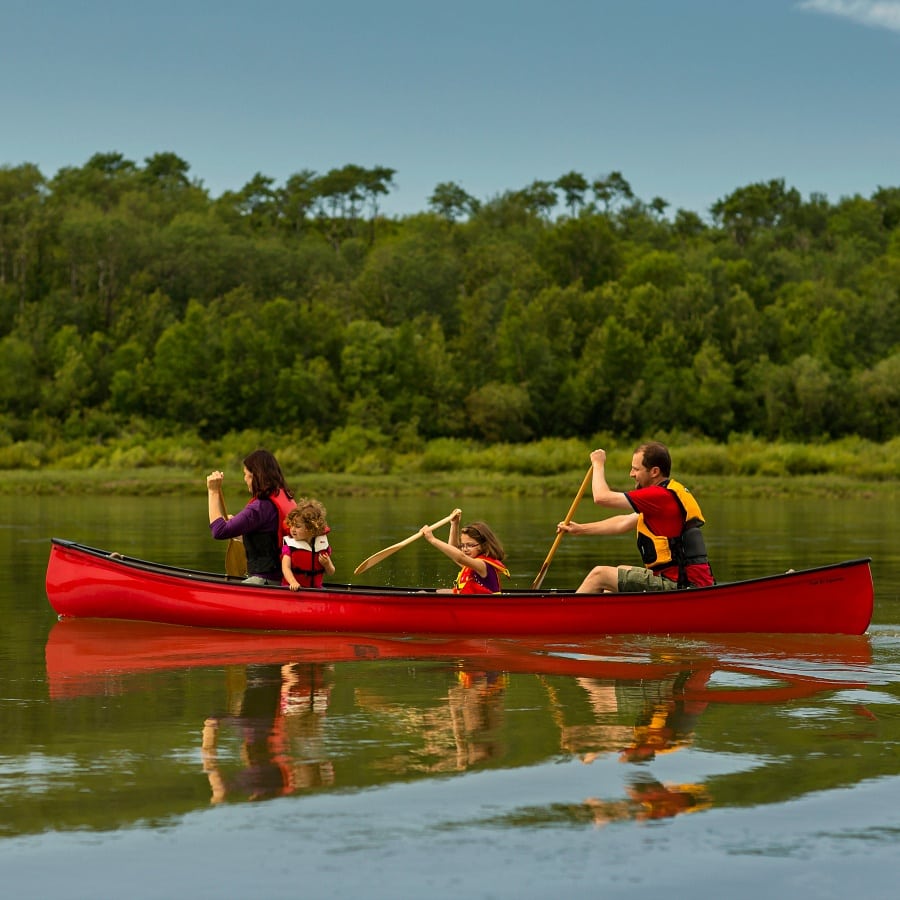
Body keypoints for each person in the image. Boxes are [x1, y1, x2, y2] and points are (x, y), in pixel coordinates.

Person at [557, 443, 714, 593]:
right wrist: (579, 529)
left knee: (599, 575)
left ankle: (564, 617)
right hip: (682, 581)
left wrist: (598, 464)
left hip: (681, 585)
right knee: (621, 570)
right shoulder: (666, 495)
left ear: (654, 472)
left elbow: (601, 497)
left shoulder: (659, 496)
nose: (631, 474)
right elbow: (623, 522)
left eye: (635, 469)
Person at [207, 449, 297, 585]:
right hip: (283, 579)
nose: (244, 479)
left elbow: (219, 531)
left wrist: (213, 491)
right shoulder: (285, 497)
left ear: (256, 476)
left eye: (246, 475)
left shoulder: (260, 507)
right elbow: (270, 540)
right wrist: (238, 529)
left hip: (266, 581)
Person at [421, 510, 509, 594]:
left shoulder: (482, 565)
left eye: (470, 545)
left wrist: (432, 539)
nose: (465, 549)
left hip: (486, 606)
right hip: (473, 604)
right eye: (462, 545)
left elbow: (460, 557)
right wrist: (455, 524)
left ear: (484, 545)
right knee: (438, 591)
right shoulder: (472, 565)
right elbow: (453, 550)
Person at [281, 499, 335, 590]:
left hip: (316, 589)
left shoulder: (321, 546)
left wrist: (327, 564)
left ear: (311, 529)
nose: (293, 529)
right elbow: (285, 568)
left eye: (297, 526)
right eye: (292, 525)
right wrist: (293, 582)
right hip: (293, 590)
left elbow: (331, 572)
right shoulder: (289, 547)